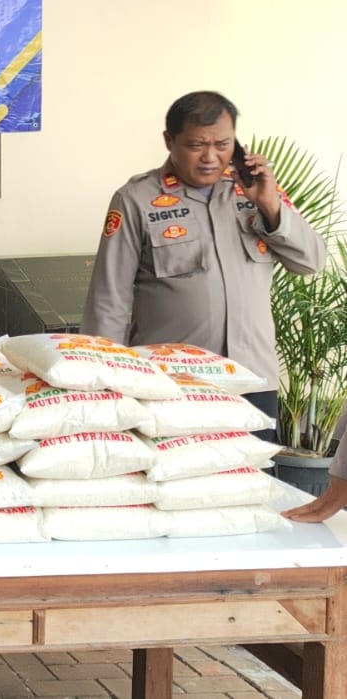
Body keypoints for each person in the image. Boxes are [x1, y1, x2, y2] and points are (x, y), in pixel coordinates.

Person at [82, 91, 326, 443]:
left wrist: (271, 205)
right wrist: (105, 385)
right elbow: (109, 300)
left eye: (223, 144)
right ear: (169, 141)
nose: (211, 157)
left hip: (253, 379)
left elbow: (311, 262)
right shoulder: (136, 199)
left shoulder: (256, 192)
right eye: (196, 145)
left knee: (255, 475)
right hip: (171, 383)